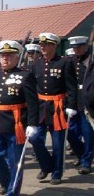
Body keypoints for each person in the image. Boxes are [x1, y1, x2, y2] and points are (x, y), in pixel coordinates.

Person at [0, 40, 39, 196]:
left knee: (15, 161)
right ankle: (6, 183)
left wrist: (32, 124)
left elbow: (33, 102)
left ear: (16, 57)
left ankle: (13, 192)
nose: (5, 58)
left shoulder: (25, 75)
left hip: (16, 125)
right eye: (2, 55)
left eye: (9, 55)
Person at [29, 33, 78, 185]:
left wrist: (71, 106)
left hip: (58, 107)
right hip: (41, 107)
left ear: (54, 46)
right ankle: (46, 165)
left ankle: (56, 172)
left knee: (58, 143)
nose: (43, 47)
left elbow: (72, 87)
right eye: (41, 45)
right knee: (34, 137)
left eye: (47, 45)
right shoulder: (35, 64)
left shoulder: (64, 62)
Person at [65, 36, 92, 175]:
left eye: (80, 47)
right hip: (74, 101)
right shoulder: (71, 61)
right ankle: (82, 154)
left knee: (88, 134)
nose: (77, 50)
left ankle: (86, 162)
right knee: (69, 132)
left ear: (86, 46)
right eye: (75, 47)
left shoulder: (91, 60)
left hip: (88, 102)